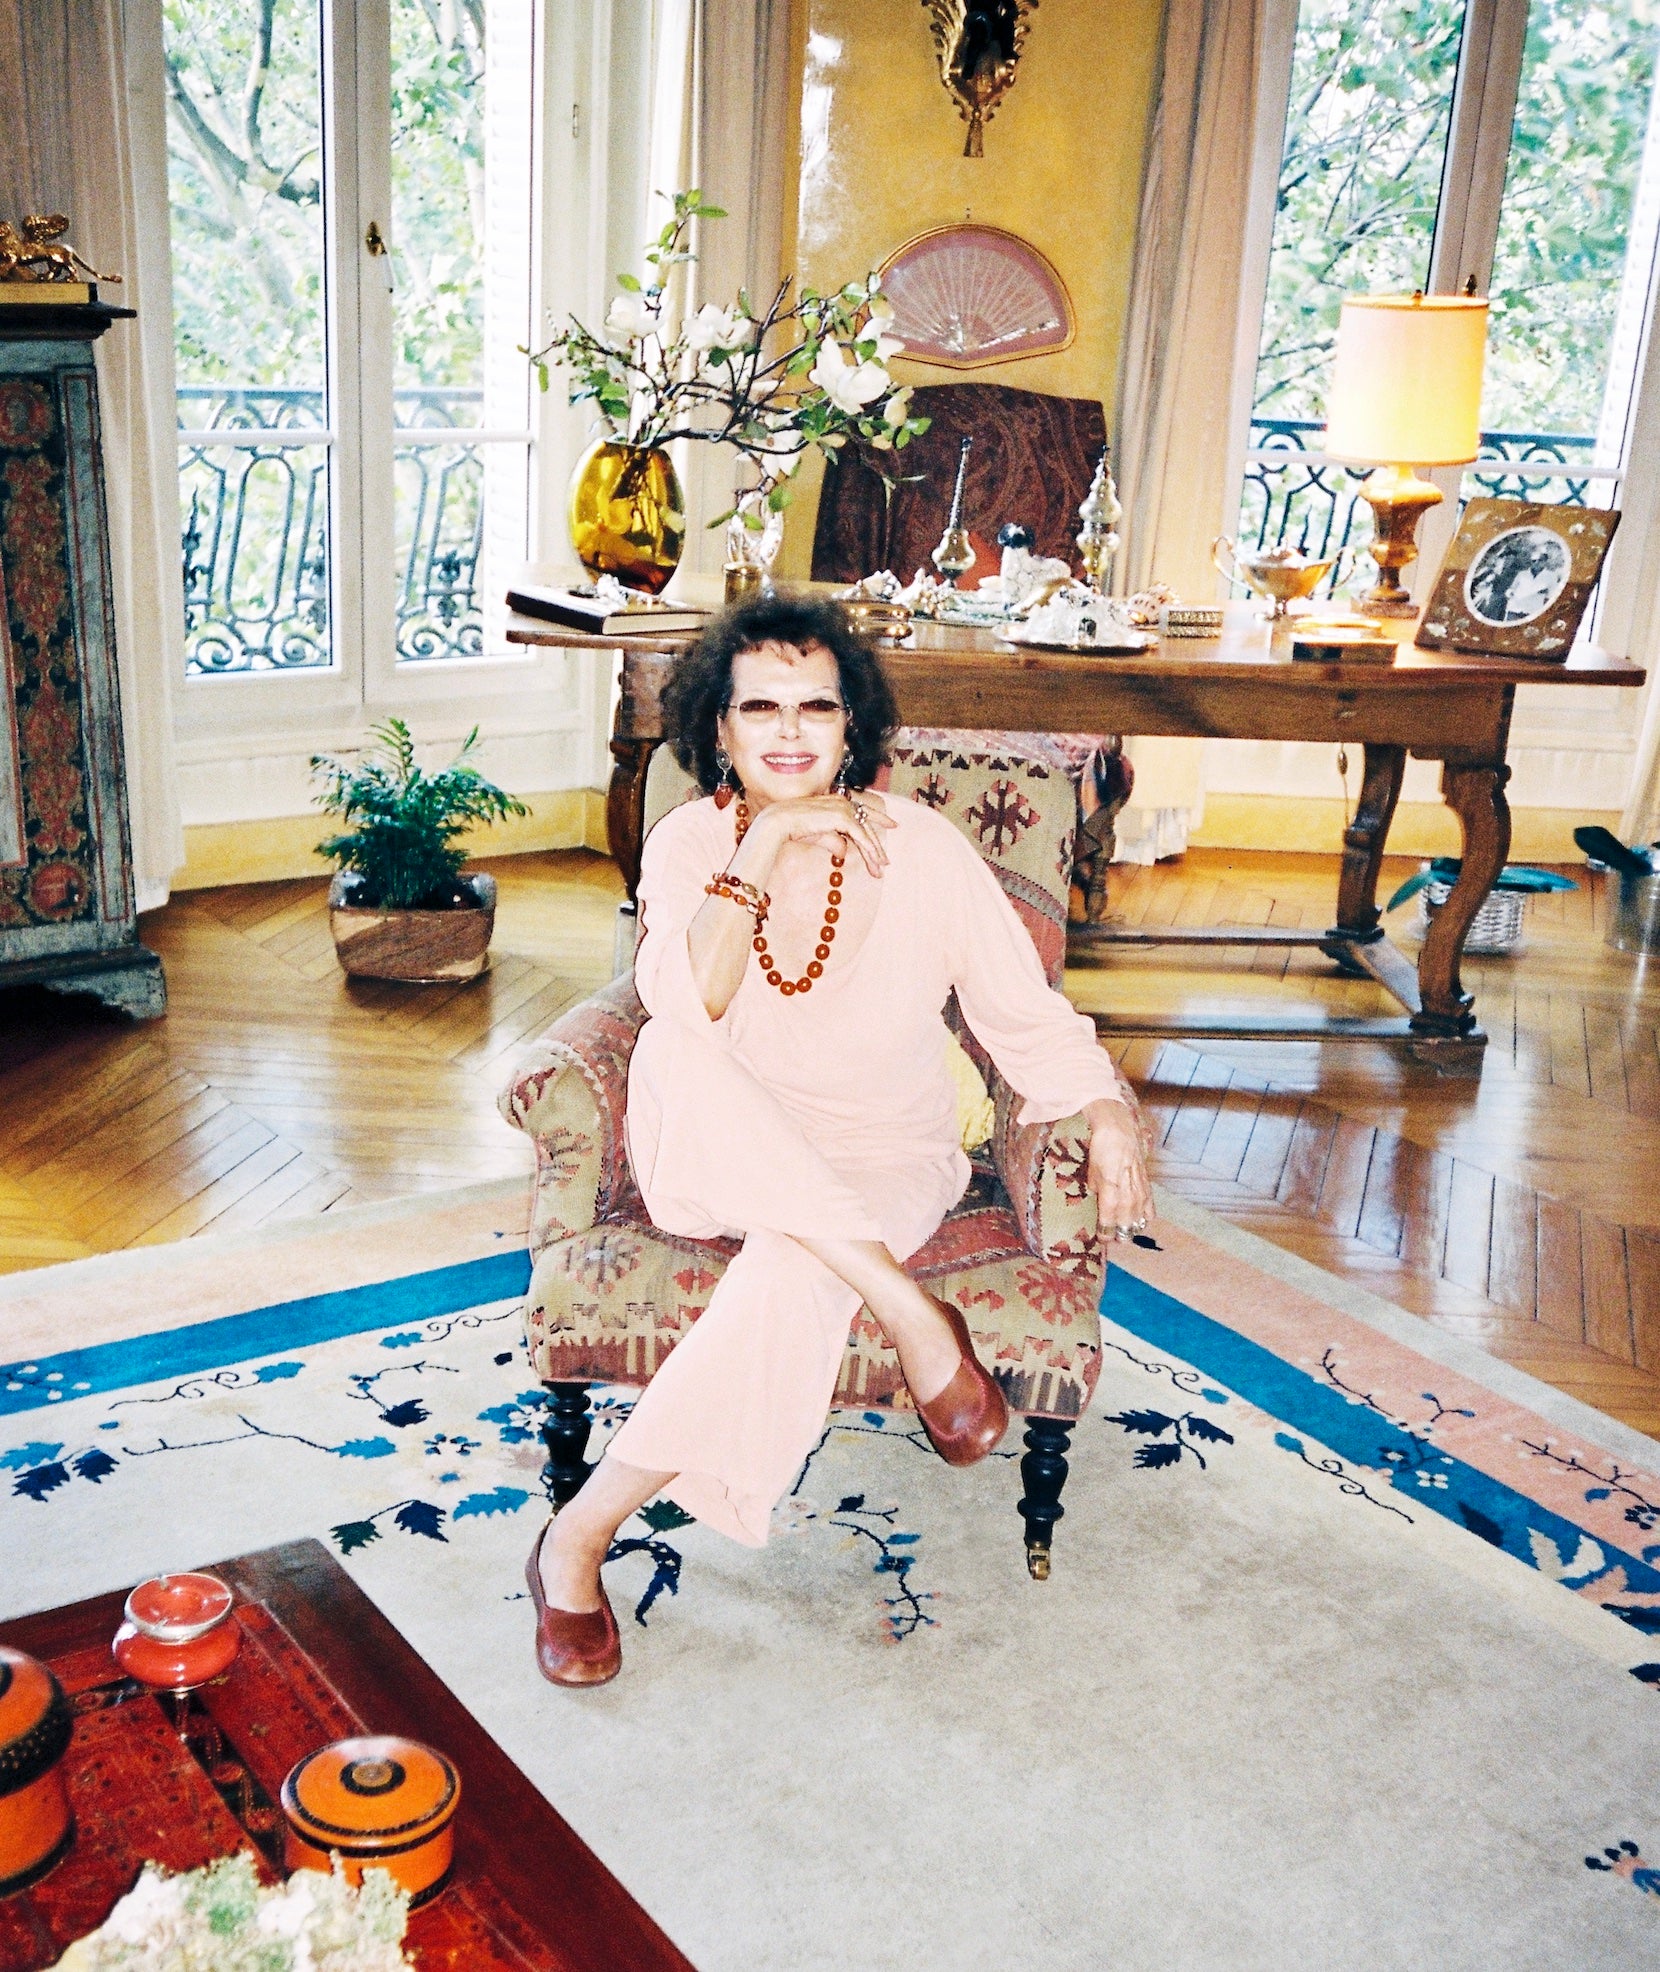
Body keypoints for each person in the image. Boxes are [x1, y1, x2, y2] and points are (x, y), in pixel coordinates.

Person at [525, 595, 1152, 1685]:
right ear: (715, 730)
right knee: (682, 1046)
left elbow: (1017, 1009)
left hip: (884, 1158)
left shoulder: (924, 847)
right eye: (757, 706)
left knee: (787, 1273)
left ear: (850, 725)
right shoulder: (686, 840)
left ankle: (575, 1539)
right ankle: (916, 1314)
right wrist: (767, 838)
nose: (787, 731)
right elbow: (689, 999)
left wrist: (1098, 1102)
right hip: (720, 1150)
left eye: (815, 706)